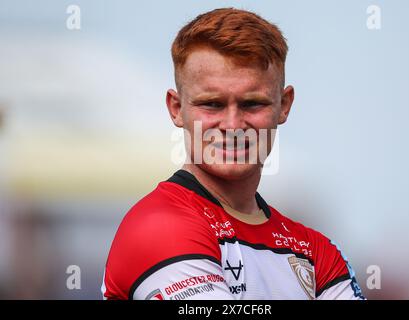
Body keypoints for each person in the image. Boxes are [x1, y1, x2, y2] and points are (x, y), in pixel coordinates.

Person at [102, 7, 365, 300]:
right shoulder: (157, 225)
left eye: (252, 104)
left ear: (284, 104)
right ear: (176, 108)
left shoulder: (316, 251)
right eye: (212, 104)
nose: (232, 125)